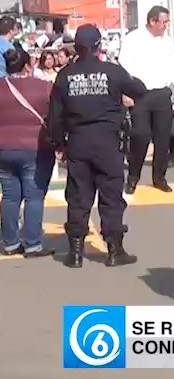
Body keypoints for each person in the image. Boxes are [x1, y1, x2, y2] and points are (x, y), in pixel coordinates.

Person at [46, 24, 148, 268]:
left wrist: (59, 143)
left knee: (79, 197)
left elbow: (55, 115)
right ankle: (114, 250)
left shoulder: (65, 75)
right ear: (99, 46)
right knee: (111, 196)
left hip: (78, 141)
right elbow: (140, 90)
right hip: (108, 141)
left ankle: (76, 252)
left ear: (77, 48)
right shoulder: (113, 71)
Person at [119, 6, 174, 194]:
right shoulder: (134, 39)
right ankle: (133, 177)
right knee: (140, 136)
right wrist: (126, 92)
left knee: (163, 139)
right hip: (140, 94)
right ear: (152, 21)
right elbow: (124, 66)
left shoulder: (167, 42)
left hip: (162, 94)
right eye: (163, 22)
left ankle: (159, 178)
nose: (166, 26)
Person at [0, 45, 55, 257]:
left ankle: (10, 242)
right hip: (35, 147)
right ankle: (32, 243)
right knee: (34, 196)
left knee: (10, 196)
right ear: (27, 65)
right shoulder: (43, 87)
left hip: (4, 149)